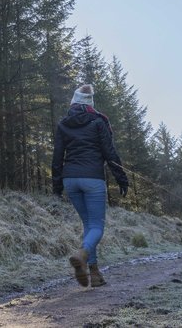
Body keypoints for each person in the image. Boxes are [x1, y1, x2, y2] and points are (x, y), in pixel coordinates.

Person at [51, 84, 130, 287]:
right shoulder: (98, 122)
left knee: (88, 225)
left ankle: (94, 275)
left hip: (70, 180)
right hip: (93, 178)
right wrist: (121, 178)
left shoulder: (63, 124)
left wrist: (57, 185)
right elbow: (109, 153)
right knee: (96, 226)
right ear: (90, 104)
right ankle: (82, 254)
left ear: (74, 102)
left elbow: (57, 157)